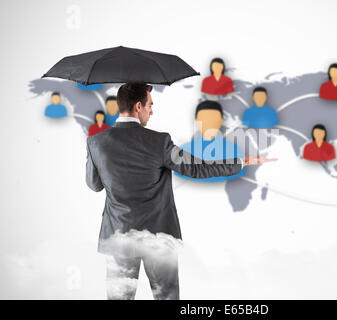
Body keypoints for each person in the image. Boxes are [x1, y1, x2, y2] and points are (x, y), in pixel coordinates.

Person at [86, 83, 276, 300]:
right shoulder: (160, 142)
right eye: (150, 105)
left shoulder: (95, 142)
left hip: (117, 234)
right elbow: (196, 168)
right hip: (158, 236)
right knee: (166, 296)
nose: (152, 111)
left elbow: (94, 185)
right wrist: (239, 162)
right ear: (138, 106)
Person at [174, 100, 245, 182]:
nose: (209, 124)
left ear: (221, 121)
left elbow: (238, 179)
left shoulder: (234, 151)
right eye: (204, 119)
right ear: (197, 121)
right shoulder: (184, 150)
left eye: (214, 120)